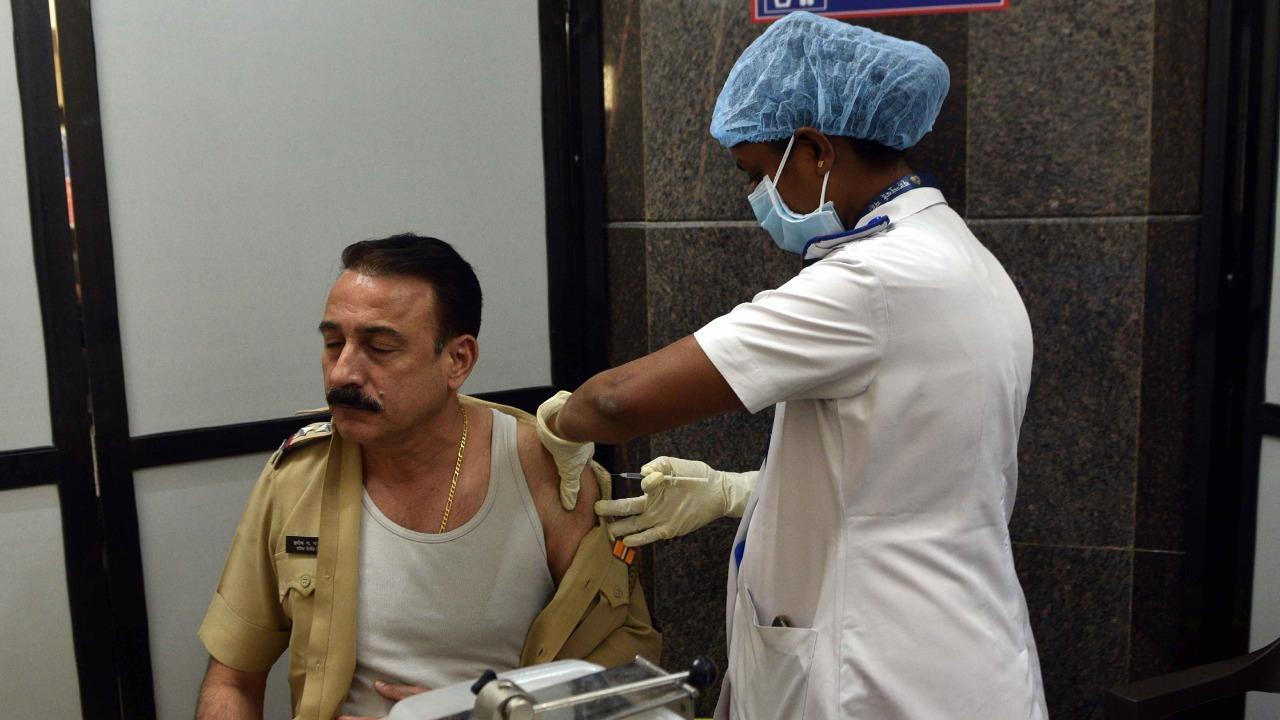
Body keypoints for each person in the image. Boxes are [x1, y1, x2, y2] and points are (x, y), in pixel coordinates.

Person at [535, 12, 1046, 720]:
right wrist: (739, 491)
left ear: (814, 148)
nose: (757, 202)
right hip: (954, 642)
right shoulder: (958, 257)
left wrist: (559, 426)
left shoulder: (873, 281)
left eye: (755, 173)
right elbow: (909, 469)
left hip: (883, 672)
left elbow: (621, 402)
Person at [195, 234, 659, 720]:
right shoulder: (297, 476)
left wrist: (472, 713)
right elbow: (231, 679)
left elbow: (630, 679)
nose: (343, 373)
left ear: (457, 360)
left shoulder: (545, 471)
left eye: (378, 347)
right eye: (334, 344)